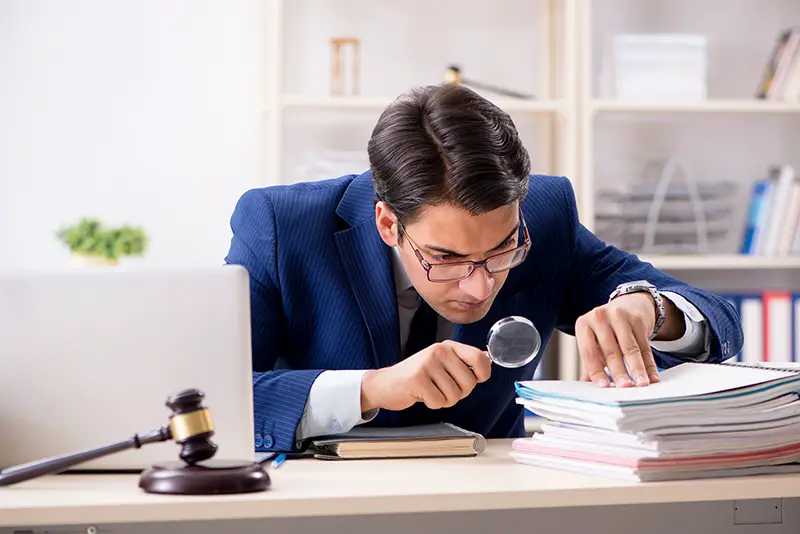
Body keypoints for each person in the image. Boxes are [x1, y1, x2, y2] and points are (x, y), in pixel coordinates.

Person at [225, 83, 743, 453]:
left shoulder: (545, 216)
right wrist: (373, 388)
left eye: (502, 250)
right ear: (387, 224)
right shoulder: (280, 227)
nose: (478, 286)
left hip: (494, 505)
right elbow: (216, 398)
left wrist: (649, 310)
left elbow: (717, 320)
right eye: (446, 258)